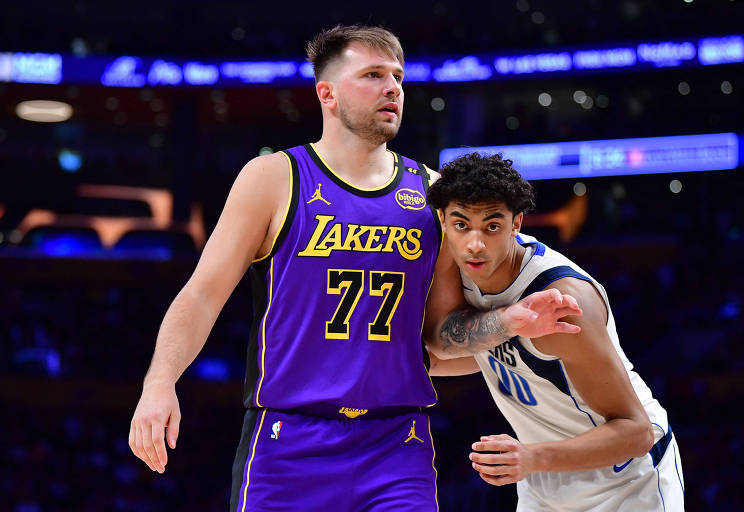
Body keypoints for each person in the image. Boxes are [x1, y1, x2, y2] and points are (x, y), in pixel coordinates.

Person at [127, 26, 582, 511]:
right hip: (289, 439)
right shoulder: (274, 179)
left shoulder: (433, 192)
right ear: (327, 93)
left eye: (398, 77)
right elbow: (202, 294)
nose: (392, 88)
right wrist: (159, 382)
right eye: (372, 75)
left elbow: (441, 337)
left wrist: (516, 327)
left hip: (396, 442)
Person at [425, 152, 684, 511]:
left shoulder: (560, 303)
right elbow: (447, 347)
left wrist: (531, 458)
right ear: (443, 221)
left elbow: (635, 431)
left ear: (517, 223)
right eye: (462, 225)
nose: (475, 243)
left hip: (626, 476)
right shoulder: (457, 261)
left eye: (492, 226)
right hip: (544, 474)